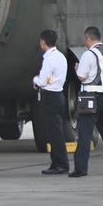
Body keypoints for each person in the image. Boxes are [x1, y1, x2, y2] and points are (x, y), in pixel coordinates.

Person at [71, 26, 103, 178]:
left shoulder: (89, 55)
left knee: (85, 133)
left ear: (88, 39)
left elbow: (81, 77)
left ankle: (81, 168)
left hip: (91, 97)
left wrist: (77, 69)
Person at [33, 29, 70, 175]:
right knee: (55, 131)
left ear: (43, 42)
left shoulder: (48, 59)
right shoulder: (61, 56)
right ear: (56, 42)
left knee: (55, 133)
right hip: (59, 94)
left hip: (51, 97)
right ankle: (56, 163)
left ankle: (61, 164)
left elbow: (42, 81)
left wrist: (35, 80)